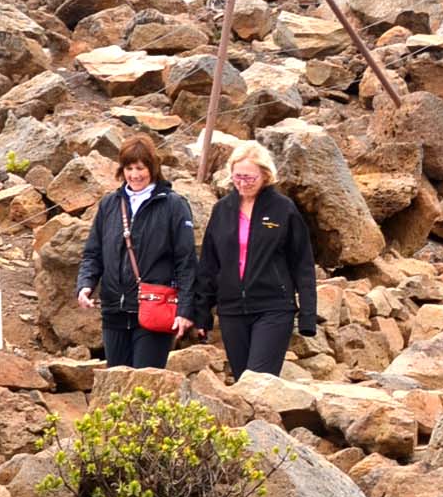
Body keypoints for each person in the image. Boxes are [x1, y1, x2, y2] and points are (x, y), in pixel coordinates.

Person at [195, 141, 317, 378]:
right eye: (238, 177)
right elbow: (209, 265)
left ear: (265, 175)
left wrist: (308, 315)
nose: (243, 183)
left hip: (273, 307)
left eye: (249, 178)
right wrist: (202, 314)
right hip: (231, 310)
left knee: (259, 379)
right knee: (242, 380)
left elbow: (302, 264)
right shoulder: (222, 209)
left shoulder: (284, 209)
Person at [76, 135, 198, 368]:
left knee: (146, 384)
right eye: (129, 168)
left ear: (152, 168)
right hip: (114, 309)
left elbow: (187, 261)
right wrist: (85, 284)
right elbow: (93, 252)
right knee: (117, 384)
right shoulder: (110, 204)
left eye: (140, 168)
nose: (135, 175)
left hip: (154, 307)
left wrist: (185, 309)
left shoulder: (173, 205)